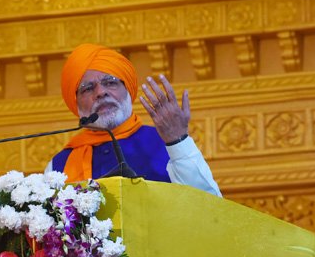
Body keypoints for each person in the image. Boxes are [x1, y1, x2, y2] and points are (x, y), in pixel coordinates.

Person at [47, 43, 221, 196]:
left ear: (128, 90)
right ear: (75, 101)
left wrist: (178, 141)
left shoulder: (166, 141)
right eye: (88, 88)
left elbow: (211, 205)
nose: (100, 92)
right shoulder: (58, 166)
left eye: (110, 82)